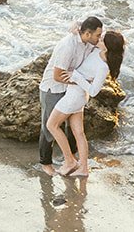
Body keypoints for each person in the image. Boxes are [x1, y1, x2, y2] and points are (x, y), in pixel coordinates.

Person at [45, 30, 125, 177]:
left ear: (106, 46)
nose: (99, 38)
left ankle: (70, 161)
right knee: (79, 133)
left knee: (52, 125)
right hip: (75, 94)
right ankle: (83, 169)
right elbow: (86, 37)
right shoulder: (97, 51)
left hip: (75, 96)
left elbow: (94, 91)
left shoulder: (103, 67)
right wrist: (75, 28)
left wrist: (76, 77)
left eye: (102, 38)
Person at [37, 16, 102, 174]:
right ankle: (46, 163)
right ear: (87, 34)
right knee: (49, 127)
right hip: (53, 88)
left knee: (72, 127)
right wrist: (82, 82)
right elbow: (57, 76)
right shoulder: (67, 46)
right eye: (98, 35)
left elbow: (108, 42)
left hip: (70, 89)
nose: (100, 38)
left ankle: (71, 160)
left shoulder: (89, 42)